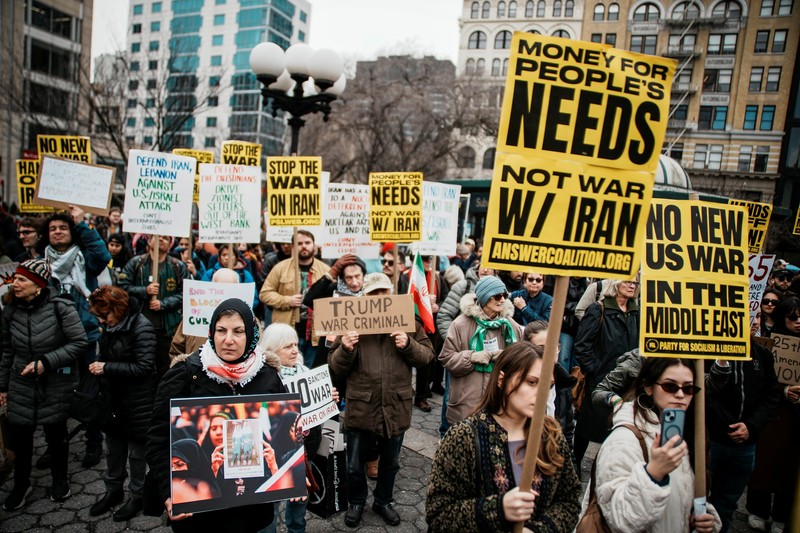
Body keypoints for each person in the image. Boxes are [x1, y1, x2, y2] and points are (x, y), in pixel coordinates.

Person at [146, 298, 286, 532]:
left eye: (238, 331)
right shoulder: (185, 374)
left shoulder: (267, 375)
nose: (228, 339)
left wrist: (289, 468)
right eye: (221, 330)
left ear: (251, 334)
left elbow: (285, 433)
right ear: (211, 332)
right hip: (200, 512)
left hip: (249, 508)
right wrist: (170, 491)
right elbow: (158, 439)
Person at [426, 342, 581, 532]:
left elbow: (570, 500)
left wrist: (539, 530)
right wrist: (498, 509)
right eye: (531, 382)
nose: (541, 394)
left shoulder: (551, 435)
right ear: (502, 379)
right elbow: (438, 514)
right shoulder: (464, 436)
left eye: (547, 386)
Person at [328, 272, 435, 528]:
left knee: (391, 463)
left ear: (390, 293)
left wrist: (407, 344)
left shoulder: (408, 321)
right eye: (373, 293)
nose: (379, 298)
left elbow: (427, 356)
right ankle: (356, 502)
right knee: (354, 465)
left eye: (383, 292)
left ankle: (383, 501)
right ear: (364, 297)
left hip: (395, 407)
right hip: (361, 407)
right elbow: (335, 366)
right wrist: (346, 348)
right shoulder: (349, 323)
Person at [582, 357, 721, 533]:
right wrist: (654, 473)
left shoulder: (684, 436)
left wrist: (698, 518)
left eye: (688, 388)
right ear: (648, 387)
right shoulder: (624, 439)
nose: (680, 395)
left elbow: (678, 502)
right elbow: (620, 519)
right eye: (670, 386)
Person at [0, 259, 88, 510]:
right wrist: (2, 386)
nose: (14, 284)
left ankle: (60, 480)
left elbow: (78, 342)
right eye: (15, 279)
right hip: (21, 381)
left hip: (54, 381)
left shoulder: (60, 307)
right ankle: (21, 484)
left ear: (38, 285)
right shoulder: (10, 310)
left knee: (56, 434)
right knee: (21, 437)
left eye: (22, 280)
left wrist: (46, 362)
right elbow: (7, 350)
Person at [43, 206, 111, 467]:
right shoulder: (41, 261)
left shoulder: (85, 257)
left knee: (89, 391)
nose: (58, 232)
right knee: (54, 395)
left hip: (84, 334)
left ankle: (93, 443)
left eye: (63, 228)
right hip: (52, 337)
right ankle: (55, 446)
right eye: (53, 229)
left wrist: (82, 224)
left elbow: (102, 254)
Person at [259, 322, 340, 533]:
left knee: (299, 502)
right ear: (272, 349)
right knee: (272, 506)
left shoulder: (306, 372)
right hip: (275, 454)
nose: (295, 350)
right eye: (287, 346)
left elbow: (319, 413)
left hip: (306, 451)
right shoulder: (265, 379)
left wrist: (329, 399)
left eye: (295, 344)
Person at [87, 285, 157, 521]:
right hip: (113, 400)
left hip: (137, 402)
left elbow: (145, 367)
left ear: (118, 309)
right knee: (113, 450)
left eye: (104, 315)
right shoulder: (111, 326)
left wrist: (106, 368)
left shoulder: (142, 327)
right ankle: (113, 491)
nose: (102, 320)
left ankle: (137, 496)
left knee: (137, 455)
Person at [706, 311, 780, 533]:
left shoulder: (763, 355)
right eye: (749, 315)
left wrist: (751, 426)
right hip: (711, 442)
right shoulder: (708, 352)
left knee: (726, 506)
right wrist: (725, 425)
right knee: (695, 501)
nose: (755, 322)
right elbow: (703, 393)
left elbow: (771, 396)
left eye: (757, 316)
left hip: (745, 447)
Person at [744, 296, 800, 533]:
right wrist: (785, 389)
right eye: (793, 317)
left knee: (790, 468)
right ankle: (758, 509)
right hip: (772, 416)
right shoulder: (767, 344)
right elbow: (759, 380)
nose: (798, 322)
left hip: (795, 419)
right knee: (765, 463)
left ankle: (781, 514)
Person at [573, 278, 640, 468]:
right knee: (588, 426)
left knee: (619, 424)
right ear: (616, 284)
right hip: (601, 378)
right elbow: (582, 345)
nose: (632, 285)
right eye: (627, 282)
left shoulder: (637, 311)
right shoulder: (598, 309)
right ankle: (576, 463)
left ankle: (611, 465)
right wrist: (595, 368)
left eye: (635, 283)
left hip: (629, 381)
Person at [439, 275, 523, 426]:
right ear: (484, 298)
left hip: (497, 403)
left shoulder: (511, 326)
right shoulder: (460, 324)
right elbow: (446, 358)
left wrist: (507, 357)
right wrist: (471, 357)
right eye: (497, 296)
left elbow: (522, 361)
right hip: (467, 402)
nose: (503, 300)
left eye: (505, 295)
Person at [118, 234, 189, 377]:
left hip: (167, 329)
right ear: (150, 240)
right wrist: (145, 290)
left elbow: (187, 294)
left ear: (170, 244)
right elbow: (122, 287)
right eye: (157, 236)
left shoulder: (178, 266)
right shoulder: (136, 263)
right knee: (141, 368)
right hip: (139, 328)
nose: (160, 239)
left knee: (165, 368)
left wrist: (163, 304)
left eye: (165, 238)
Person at [259, 230, 330, 368]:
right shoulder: (280, 268)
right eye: (299, 243)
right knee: (286, 368)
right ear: (293, 247)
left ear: (314, 245)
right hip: (288, 332)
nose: (304, 246)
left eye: (308, 243)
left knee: (310, 370)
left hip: (314, 333)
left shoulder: (325, 270)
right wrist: (287, 301)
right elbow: (265, 293)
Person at [169, 268, 240, 364]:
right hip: (194, 373)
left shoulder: (247, 320)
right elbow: (176, 349)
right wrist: (183, 371)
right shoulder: (194, 315)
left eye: (228, 289)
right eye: (220, 289)